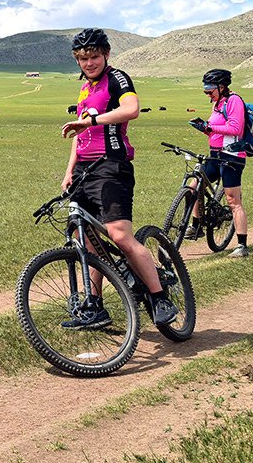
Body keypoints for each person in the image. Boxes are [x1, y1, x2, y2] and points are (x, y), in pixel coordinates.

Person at [59, 28, 178, 329]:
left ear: (107, 54)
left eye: (95, 57)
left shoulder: (117, 78)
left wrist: (92, 119)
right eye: (83, 59)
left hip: (112, 166)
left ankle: (159, 296)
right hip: (84, 170)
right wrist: (69, 170)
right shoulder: (85, 90)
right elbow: (80, 135)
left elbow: (131, 109)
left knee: (120, 235)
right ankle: (95, 305)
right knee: (85, 239)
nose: (89, 63)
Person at [186, 68, 249, 258]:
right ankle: (196, 227)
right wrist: (204, 128)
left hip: (231, 156)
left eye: (210, 92)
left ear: (222, 87)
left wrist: (210, 126)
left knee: (232, 200)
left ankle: (242, 246)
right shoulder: (218, 103)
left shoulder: (234, 100)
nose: (208, 95)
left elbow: (235, 127)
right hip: (215, 154)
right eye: (205, 92)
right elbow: (216, 131)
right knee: (194, 186)